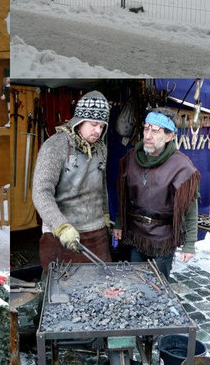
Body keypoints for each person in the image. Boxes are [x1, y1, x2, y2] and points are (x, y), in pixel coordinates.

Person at [114, 107, 201, 280]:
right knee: (136, 283)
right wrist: (118, 223)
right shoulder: (131, 158)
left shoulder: (182, 166)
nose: (148, 135)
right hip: (136, 235)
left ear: (169, 136)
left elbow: (190, 208)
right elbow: (123, 196)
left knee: (159, 286)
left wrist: (190, 244)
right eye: (146, 129)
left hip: (163, 239)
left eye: (155, 131)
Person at [31, 91, 112, 270]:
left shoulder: (101, 149)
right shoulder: (55, 146)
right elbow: (41, 192)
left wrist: (105, 214)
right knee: (61, 289)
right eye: (94, 124)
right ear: (79, 121)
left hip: (96, 232)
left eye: (102, 126)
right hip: (60, 235)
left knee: (102, 287)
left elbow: (101, 184)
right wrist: (61, 226)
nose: (98, 131)